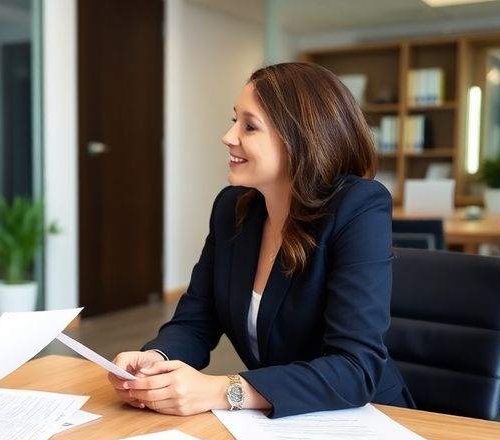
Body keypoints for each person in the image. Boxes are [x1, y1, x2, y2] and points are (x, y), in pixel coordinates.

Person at [108, 62, 414, 419]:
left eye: (249, 126)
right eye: (234, 120)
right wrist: (156, 360)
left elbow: (355, 369)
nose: (228, 136)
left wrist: (224, 390)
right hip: (278, 424)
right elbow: (196, 319)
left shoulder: (357, 207)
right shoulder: (233, 208)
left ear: (302, 140)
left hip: (365, 420)